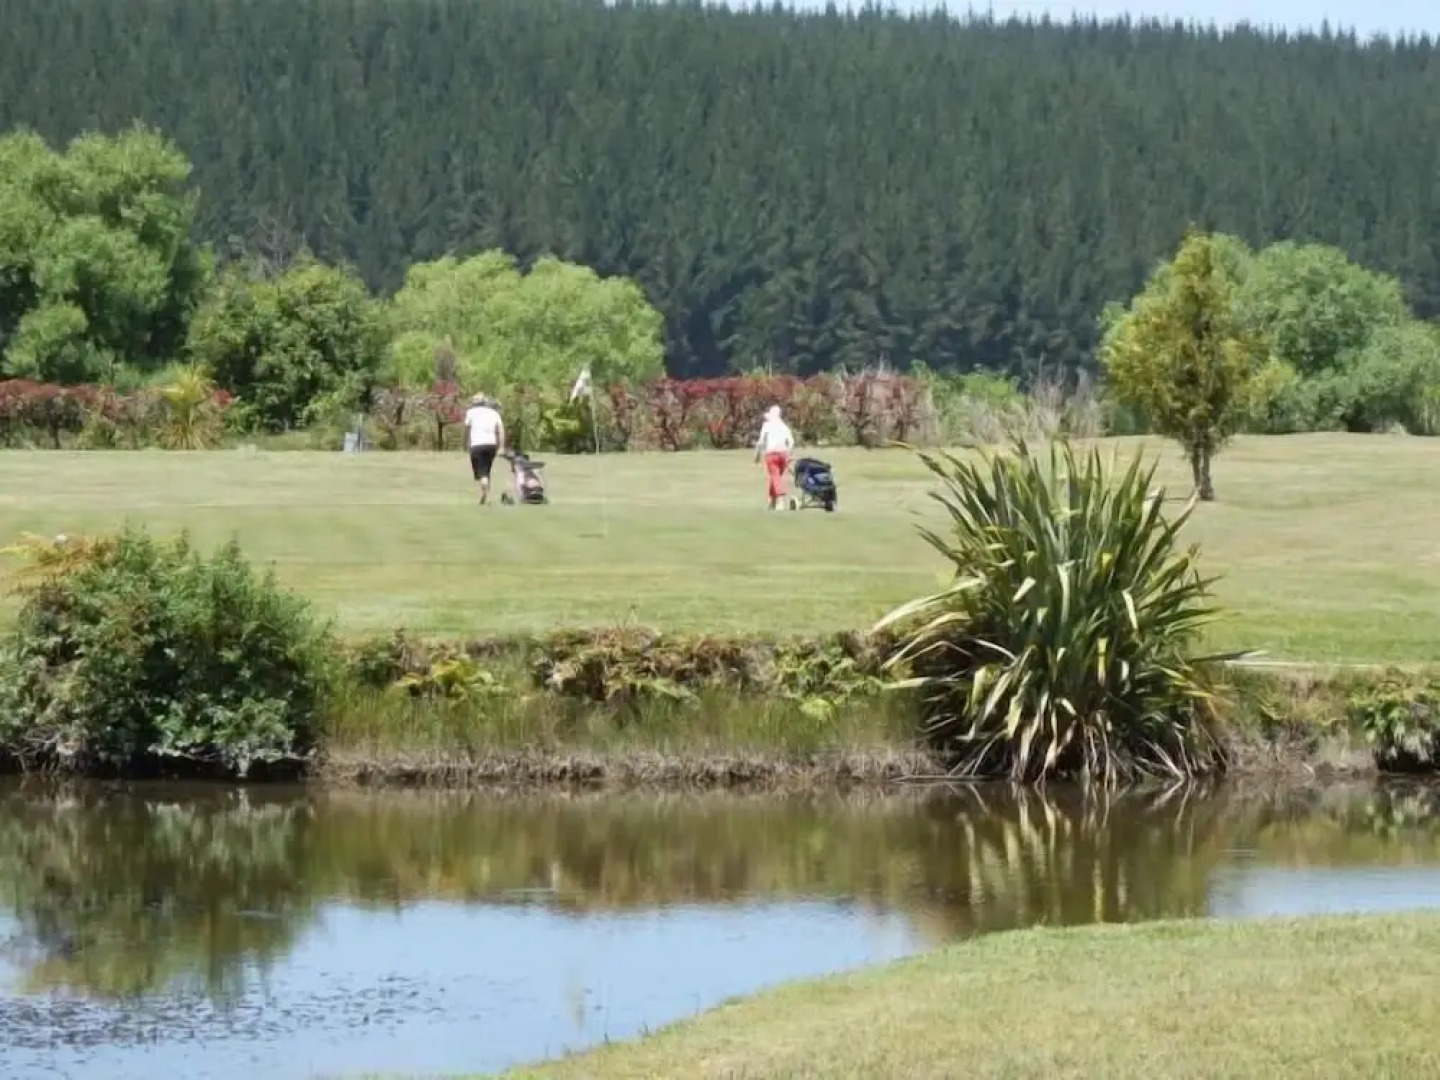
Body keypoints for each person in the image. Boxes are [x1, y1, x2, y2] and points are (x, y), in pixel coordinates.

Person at [462, 393, 505, 505]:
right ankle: (485, 495)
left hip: (477, 445)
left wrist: (465, 443)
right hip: (491, 445)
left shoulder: (470, 413)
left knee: (482, 473)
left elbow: (466, 429)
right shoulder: (494, 413)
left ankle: (487, 496)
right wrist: (501, 446)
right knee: (486, 470)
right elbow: (501, 430)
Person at [754, 404, 795, 510]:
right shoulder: (784, 426)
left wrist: (757, 456)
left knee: (775, 477)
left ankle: (780, 500)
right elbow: (791, 442)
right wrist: (789, 455)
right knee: (775, 477)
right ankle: (772, 502)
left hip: (771, 455)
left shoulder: (767, 425)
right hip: (783, 454)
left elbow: (761, 442)